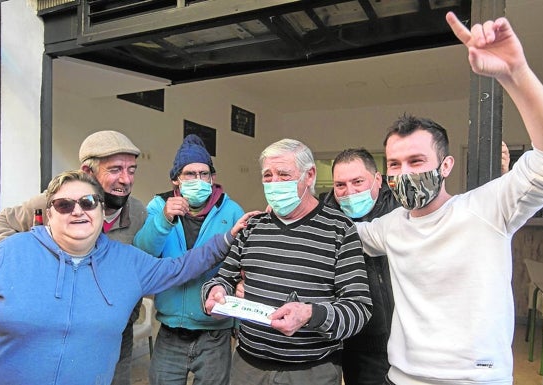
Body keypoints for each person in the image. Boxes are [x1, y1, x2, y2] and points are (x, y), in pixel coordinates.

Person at [355, 12, 543, 385]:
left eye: (416, 161)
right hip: (401, 377)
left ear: (445, 165)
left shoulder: (487, 209)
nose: (405, 173)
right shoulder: (390, 227)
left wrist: (516, 72)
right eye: (395, 164)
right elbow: (343, 234)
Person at [0, 170, 256, 385]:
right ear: (50, 213)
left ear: (102, 212)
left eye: (88, 202)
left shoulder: (127, 262)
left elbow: (181, 267)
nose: (77, 211)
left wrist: (227, 238)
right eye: (64, 204)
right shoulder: (13, 250)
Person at [202, 138, 372, 385]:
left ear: (310, 175)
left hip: (312, 371)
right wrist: (215, 292)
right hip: (247, 367)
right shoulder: (252, 227)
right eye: (267, 176)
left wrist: (310, 314)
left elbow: (359, 308)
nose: (274, 183)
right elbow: (222, 278)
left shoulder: (340, 230)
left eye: (283, 174)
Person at [0, 130, 147, 385]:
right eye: (116, 169)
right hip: (55, 329)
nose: (126, 179)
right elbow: (2, 222)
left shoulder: (139, 213)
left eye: (132, 170)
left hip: (115, 331)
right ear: (87, 171)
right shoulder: (54, 203)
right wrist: (28, 265)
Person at [133, 134, 245, 385]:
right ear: (176, 179)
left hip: (215, 331)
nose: (198, 180)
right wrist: (163, 219)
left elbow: (240, 269)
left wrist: (237, 322)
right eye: (190, 174)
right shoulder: (158, 206)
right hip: (171, 330)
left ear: (213, 178)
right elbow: (143, 253)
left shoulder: (231, 211)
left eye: (204, 174)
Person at [319, 148, 398, 385]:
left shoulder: (403, 210)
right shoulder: (323, 217)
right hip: (351, 339)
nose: (349, 192)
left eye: (358, 182)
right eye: (340, 185)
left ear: (377, 179)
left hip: (404, 336)